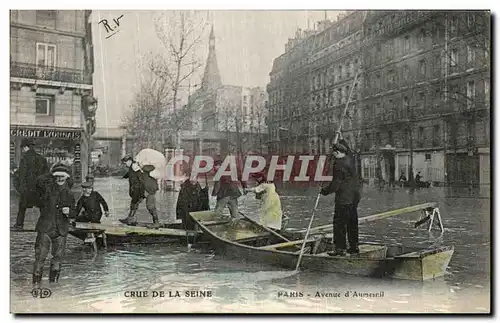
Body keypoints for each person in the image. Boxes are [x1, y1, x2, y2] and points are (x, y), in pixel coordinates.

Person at [32, 163, 75, 284]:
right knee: (40, 257)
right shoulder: (46, 189)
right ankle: (35, 286)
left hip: (61, 230)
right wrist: (51, 173)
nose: (60, 179)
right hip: (45, 228)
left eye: (63, 176)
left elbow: (74, 211)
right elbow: (38, 182)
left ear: (67, 177)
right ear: (53, 177)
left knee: (58, 259)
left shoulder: (69, 193)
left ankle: (53, 286)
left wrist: (70, 212)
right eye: (57, 176)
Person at [320, 142, 360, 256]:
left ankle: (340, 249)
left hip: (343, 199)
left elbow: (335, 184)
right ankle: (354, 247)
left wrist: (324, 191)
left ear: (337, 152)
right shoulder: (350, 159)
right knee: (352, 222)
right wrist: (341, 138)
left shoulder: (338, 165)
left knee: (339, 223)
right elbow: (349, 148)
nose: (333, 155)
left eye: (333, 153)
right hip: (354, 197)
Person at [12, 138, 49, 231]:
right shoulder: (42, 158)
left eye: (23, 148)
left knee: (22, 207)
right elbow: (47, 174)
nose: (22, 150)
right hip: (39, 188)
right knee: (43, 206)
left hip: (27, 188)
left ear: (25, 147)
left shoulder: (24, 158)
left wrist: (20, 186)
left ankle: (19, 225)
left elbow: (22, 175)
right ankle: (44, 225)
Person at [119, 155, 145, 226]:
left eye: (126, 162)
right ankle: (130, 219)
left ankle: (130, 219)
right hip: (135, 188)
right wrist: (124, 176)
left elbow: (140, 178)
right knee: (134, 204)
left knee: (134, 204)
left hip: (137, 189)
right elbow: (131, 173)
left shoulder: (134, 166)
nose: (125, 164)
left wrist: (142, 192)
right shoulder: (132, 167)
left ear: (130, 161)